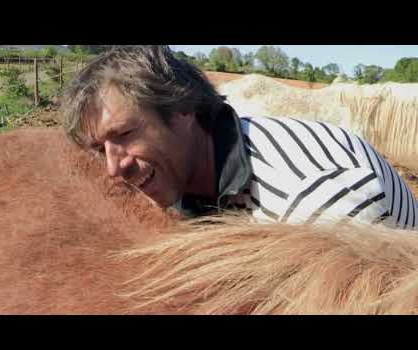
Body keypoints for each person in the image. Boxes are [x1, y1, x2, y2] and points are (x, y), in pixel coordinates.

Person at [63, 45, 417, 230]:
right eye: (100, 149)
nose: (113, 168)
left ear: (183, 108)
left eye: (123, 134)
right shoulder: (186, 168)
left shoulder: (314, 198)